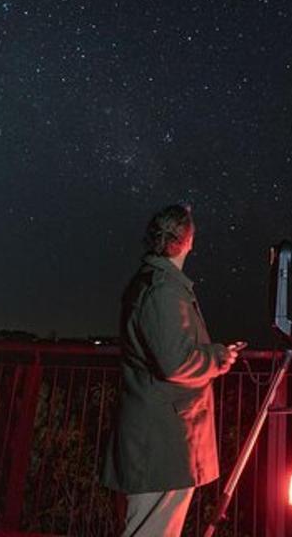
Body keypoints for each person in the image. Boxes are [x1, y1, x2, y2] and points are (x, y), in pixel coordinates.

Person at [101, 204, 242, 537]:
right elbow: (175, 362)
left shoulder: (158, 283)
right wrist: (219, 357)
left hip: (160, 438)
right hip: (161, 442)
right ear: (188, 239)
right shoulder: (163, 290)